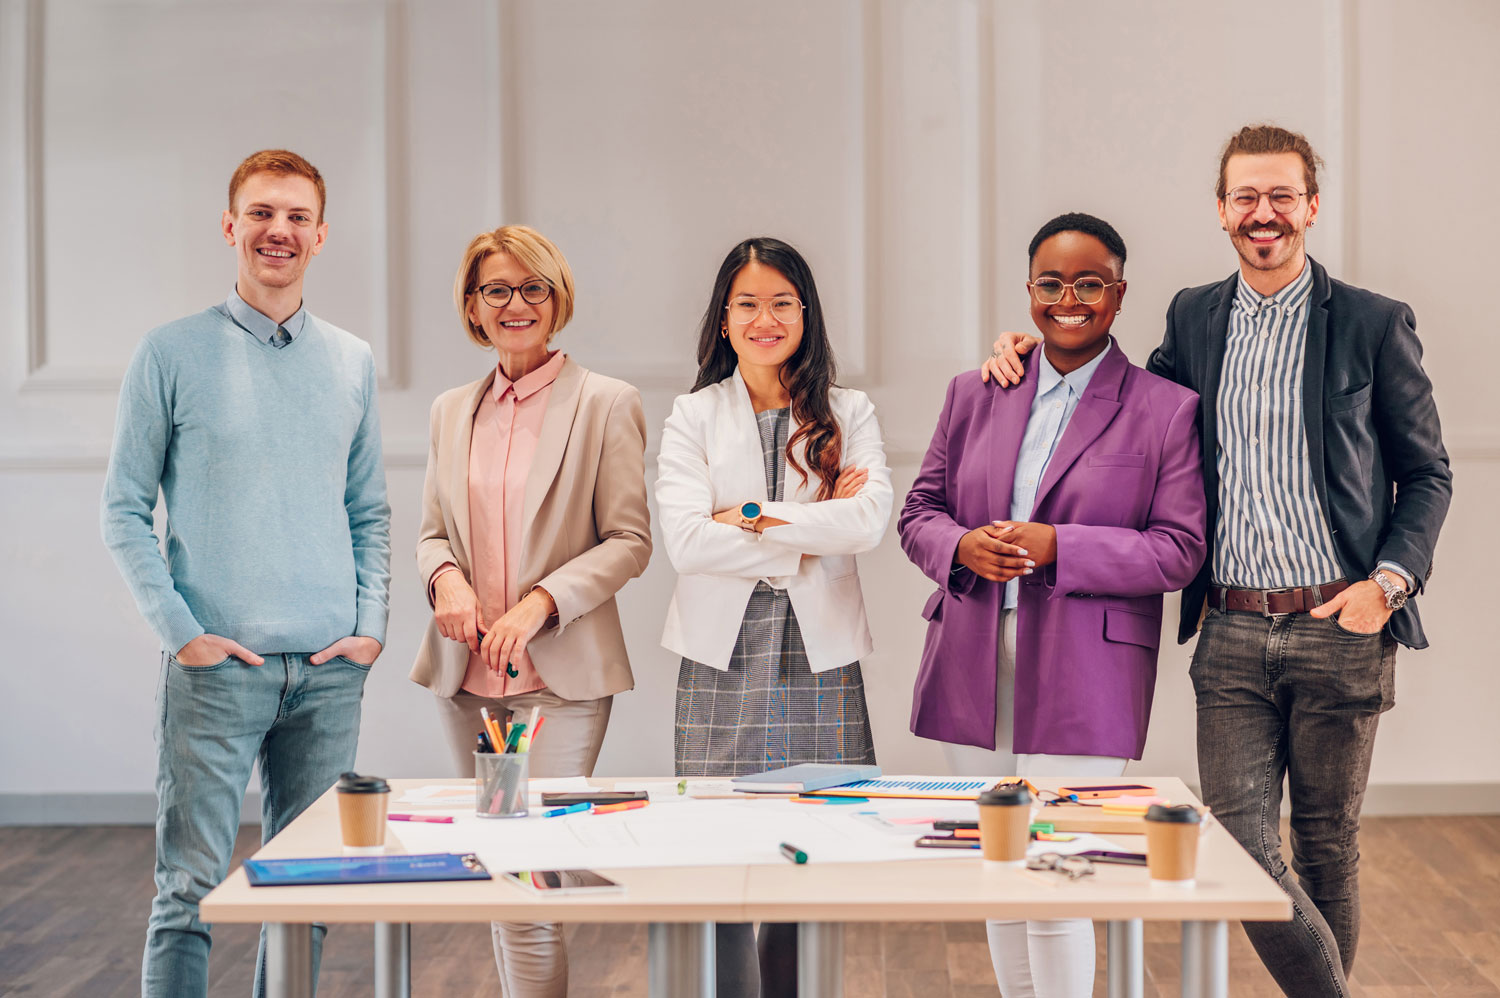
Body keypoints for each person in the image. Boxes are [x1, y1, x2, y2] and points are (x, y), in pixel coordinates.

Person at [983, 126, 1452, 997]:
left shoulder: (1373, 323)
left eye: (1281, 196)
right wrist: (1036, 353)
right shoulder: (1194, 316)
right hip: (1231, 628)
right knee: (1237, 841)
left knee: (1325, 846)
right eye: (1246, 197)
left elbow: (1426, 473)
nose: (1263, 213)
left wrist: (1386, 587)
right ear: (1223, 211)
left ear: (1311, 206)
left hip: (1341, 623)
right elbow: (1127, 401)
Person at [101, 149, 391, 997]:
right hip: (215, 672)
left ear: (321, 236)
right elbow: (123, 510)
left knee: (308, 894)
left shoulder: (352, 361)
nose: (279, 231)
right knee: (188, 893)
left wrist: (370, 628)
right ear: (231, 226)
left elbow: (369, 510)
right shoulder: (170, 353)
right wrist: (182, 635)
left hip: (330, 674)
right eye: (262, 213)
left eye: (297, 217)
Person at [901, 213, 1207, 997]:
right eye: (1051, 283)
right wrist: (959, 546)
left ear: (1119, 293)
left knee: (1055, 871)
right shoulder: (975, 392)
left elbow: (1178, 550)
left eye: (1089, 284)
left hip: (1086, 667)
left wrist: (1058, 546)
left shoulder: (1165, 408)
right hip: (971, 655)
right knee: (1000, 868)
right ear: (1030, 290)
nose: (1069, 299)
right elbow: (920, 512)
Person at [409, 224, 651, 997]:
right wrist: (446, 581)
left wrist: (542, 602)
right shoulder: (451, 410)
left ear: (557, 298)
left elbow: (629, 542)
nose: (516, 303)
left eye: (532, 288)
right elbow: (432, 533)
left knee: (530, 866)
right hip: (468, 682)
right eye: (497, 290)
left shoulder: (606, 403)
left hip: (560, 680)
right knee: (503, 864)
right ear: (472, 306)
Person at [656, 236, 892, 996]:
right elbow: (687, 542)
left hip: (818, 658)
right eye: (749, 304)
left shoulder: (849, 410)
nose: (766, 319)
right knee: (715, 850)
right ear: (724, 319)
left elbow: (868, 524)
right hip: (720, 657)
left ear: (806, 313)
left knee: (817, 848)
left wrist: (750, 517)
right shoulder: (693, 414)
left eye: (783, 303)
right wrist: (813, 523)